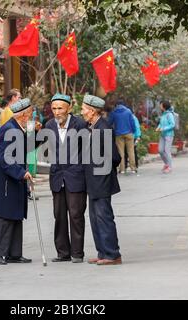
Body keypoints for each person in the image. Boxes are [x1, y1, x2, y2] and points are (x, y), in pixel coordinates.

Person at [0, 98, 36, 265]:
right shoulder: (9, 130)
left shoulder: (18, 128)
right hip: (6, 181)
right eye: (29, 115)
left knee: (16, 215)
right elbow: (6, 159)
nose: (31, 118)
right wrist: (21, 173)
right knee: (3, 217)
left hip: (15, 179)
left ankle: (14, 253)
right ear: (22, 116)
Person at [45, 93, 87, 263]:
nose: (57, 112)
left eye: (60, 108)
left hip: (76, 176)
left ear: (69, 108)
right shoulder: (49, 125)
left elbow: (87, 151)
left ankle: (77, 253)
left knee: (76, 215)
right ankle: (63, 252)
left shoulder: (80, 125)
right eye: (54, 108)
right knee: (59, 215)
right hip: (57, 177)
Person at [80, 94, 122, 266]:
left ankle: (113, 254)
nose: (81, 112)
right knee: (95, 218)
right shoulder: (91, 127)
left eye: (83, 109)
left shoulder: (103, 128)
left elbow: (114, 157)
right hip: (92, 180)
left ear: (92, 111)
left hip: (101, 180)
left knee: (104, 217)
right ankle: (102, 252)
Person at [108, 98, 137, 174]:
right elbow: (132, 123)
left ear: (116, 105)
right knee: (131, 151)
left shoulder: (114, 112)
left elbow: (109, 122)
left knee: (121, 152)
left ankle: (122, 169)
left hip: (118, 134)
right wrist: (133, 131)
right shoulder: (128, 111)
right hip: (129, 133)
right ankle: (133, 169)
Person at [156, 101, 175, 174]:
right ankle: (166, 164)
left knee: (167, 151)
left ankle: (169, 167)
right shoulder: (163, 115)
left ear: (164, 106)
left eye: (161, 105)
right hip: (162, 135)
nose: (160, 106)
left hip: (169, 135)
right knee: (160, 150)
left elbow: (172, 124)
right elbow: (161, 124)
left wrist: (164, 128)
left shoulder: (169, 114)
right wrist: (158, 128)